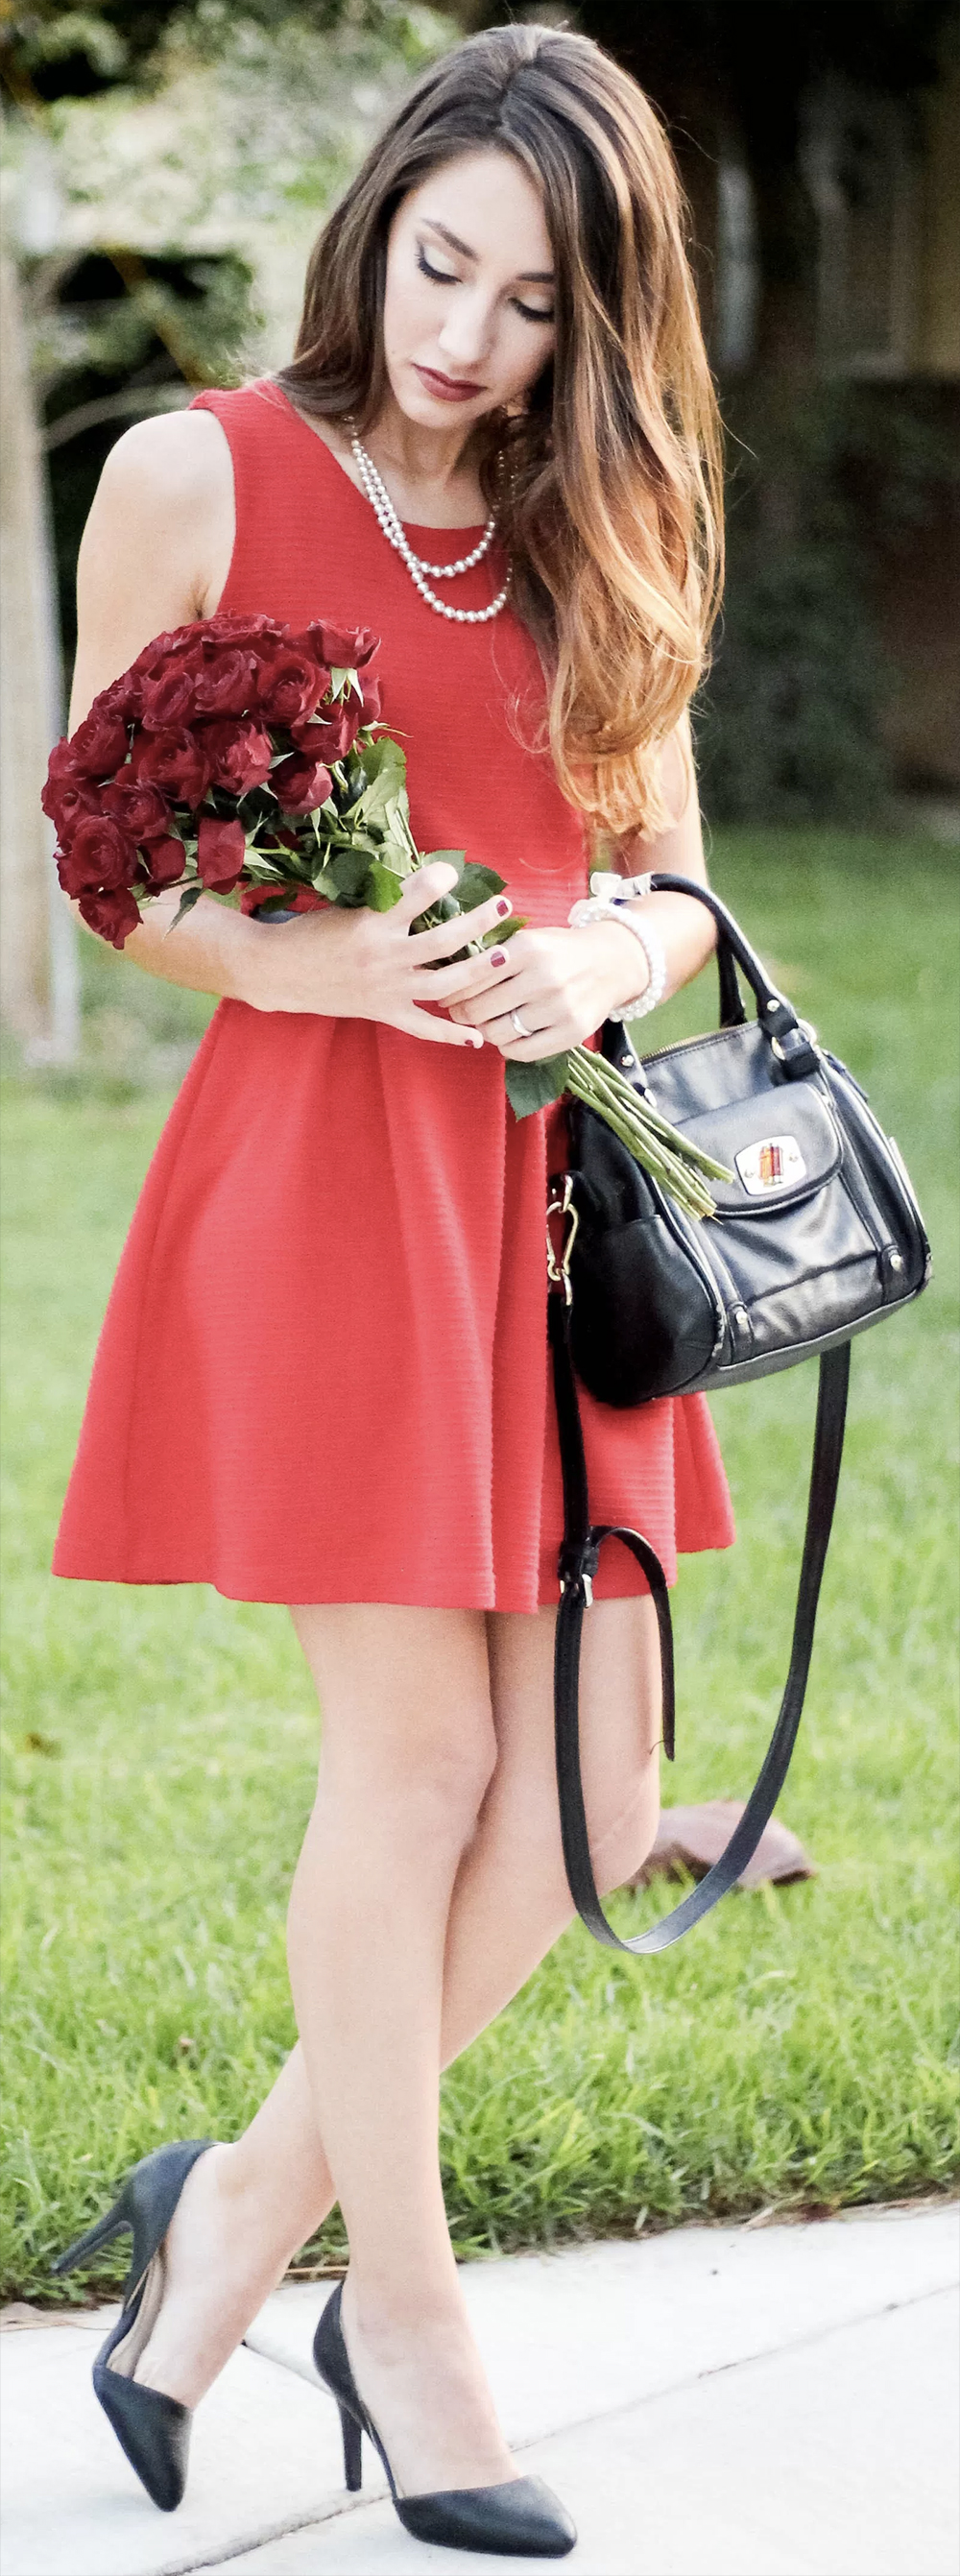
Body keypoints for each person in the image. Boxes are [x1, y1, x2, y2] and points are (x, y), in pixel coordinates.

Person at [51, 23, 734, 2555]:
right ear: (375, 227)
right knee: (426, 1763)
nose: (463, 337)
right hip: (329, 1170)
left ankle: (229, 2220)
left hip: (563, 1201)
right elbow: (110, 874)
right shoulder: (191, 474)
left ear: (598, 320)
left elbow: (676, 873)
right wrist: (336, 966)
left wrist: (600, 959)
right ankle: (413, 2320)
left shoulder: (618, 509)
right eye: (438, 263)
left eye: (531, 301)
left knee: (595, 1799)